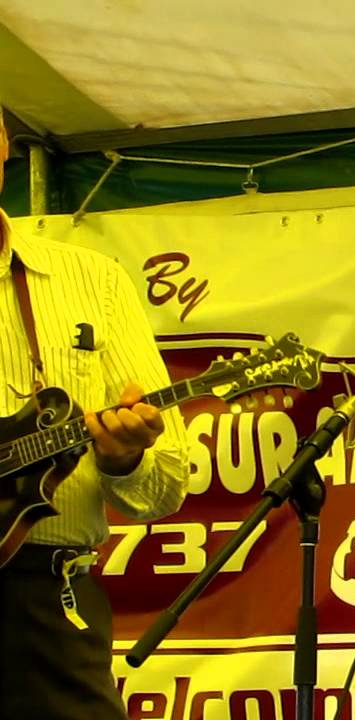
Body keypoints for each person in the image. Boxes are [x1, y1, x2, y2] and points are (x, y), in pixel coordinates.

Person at [0, 107, 189, 719]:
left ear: (3, 146)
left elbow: (166, 487)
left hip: (43, 600)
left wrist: (124, 457)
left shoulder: (92, 281)